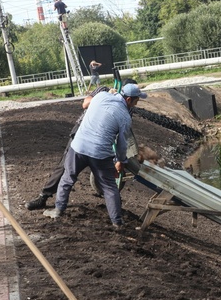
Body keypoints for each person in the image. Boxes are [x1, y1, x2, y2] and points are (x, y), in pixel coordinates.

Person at [25, 79, 139, 210]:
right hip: (83, 132)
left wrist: (120, 158)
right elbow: (85, 104)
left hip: (103, 139)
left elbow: (124, 131)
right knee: (65, 167)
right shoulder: (103, 91)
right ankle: (44, 196)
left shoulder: (128, 107)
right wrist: (105, 97)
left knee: (106, 171)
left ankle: (115, 208)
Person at [43, 83, 147, 227]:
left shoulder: (101, 96)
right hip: (100, 153)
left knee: (67, 178)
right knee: (110, 187)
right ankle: (117, 222)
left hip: (78, 146)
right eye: (136, 101)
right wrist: (120, 160)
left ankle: (58, 210)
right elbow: (122, 144)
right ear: (129, 100)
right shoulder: (125, 117)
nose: (135, 104)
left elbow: (89, 106)